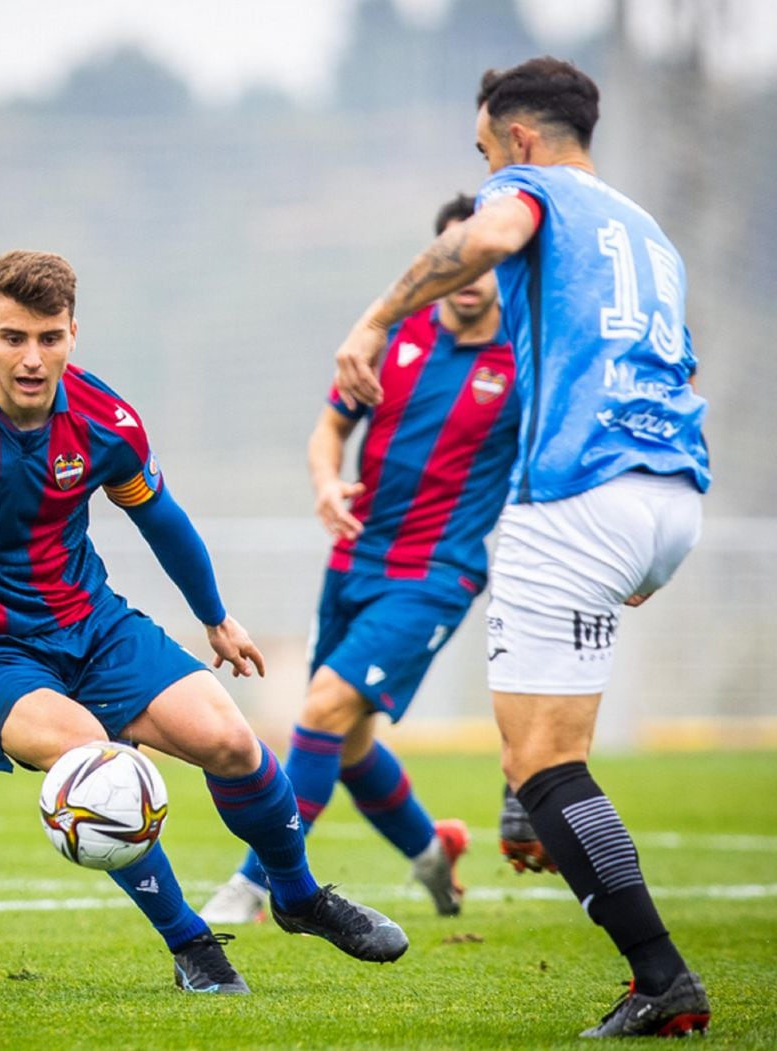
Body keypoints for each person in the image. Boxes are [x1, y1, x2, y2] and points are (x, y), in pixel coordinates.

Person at [0, 250, 408, 997]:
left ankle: (296, 895)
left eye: (49, 338)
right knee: (88, 758)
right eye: (13, 338)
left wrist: (215, 616)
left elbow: (159, 515)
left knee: (232, 740)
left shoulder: (106, 420)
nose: (31, 358)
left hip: (90, 624)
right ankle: (194, 945)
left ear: (73, 334)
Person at [332, 58, 711, 1038]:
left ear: (521, 140)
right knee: (548, 756)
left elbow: (492, 232)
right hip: (668, 493)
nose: (487, 165)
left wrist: (376, 320)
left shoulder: (527, 188)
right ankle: (523, 810)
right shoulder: (647, 233)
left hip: (579, 492)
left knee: (547, 764)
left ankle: (659, 976)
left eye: (484, 148)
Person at [200, 194, 520, 926]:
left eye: (484, 259)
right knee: (346, 744)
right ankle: (432, 848)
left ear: (503, 266)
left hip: (436, 574)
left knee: (320, 710)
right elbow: (327, 428)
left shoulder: (523, 362)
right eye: (456, 257)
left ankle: (259, 887)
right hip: (354, 560)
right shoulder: (394, 335)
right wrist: (324, 481)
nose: (468, 274)